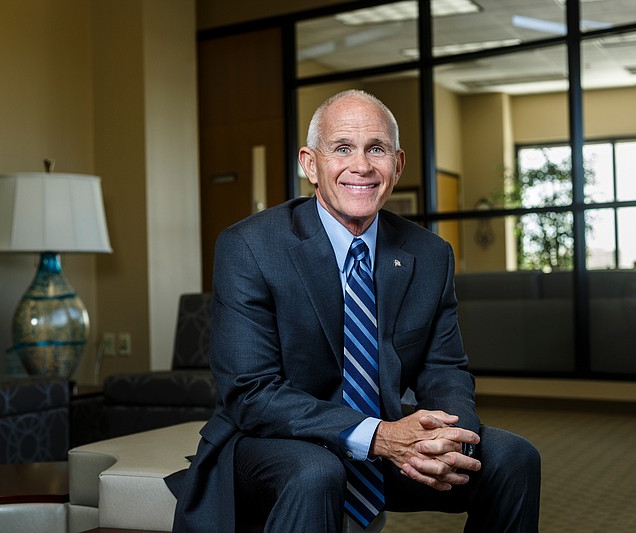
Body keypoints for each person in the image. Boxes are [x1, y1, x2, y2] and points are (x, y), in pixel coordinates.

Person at [172, 90, 541, 532]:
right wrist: (381, 436)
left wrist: (443, 437)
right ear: (309, 163)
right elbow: (250, 392)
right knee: (316, 471)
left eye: (377, 149)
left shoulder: (430, 254)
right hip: (271, 441)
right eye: (343, 148)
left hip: (390, 440)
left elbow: (444, 368)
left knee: (513, 458)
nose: (361, 166)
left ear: (398, 165)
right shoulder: (250, 246)